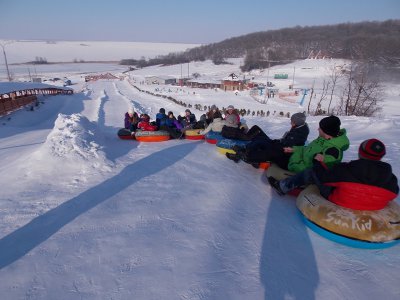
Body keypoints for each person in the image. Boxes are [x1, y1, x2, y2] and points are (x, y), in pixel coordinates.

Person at [269, 139, 399, 210]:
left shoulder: (348, 169)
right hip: (375, 206)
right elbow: (393, 193)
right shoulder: (390, 176)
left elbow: (324, 177)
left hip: (342, 200)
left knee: (313, 171)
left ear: (361, 152)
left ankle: (283, 187)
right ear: (381, 156)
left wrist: (321, 165)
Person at [226, 112, 310, 167]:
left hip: (280, 149)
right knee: (256, 129)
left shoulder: (299, 133)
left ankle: (245, 156)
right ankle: (244, 151)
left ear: (296, 122)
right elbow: (284, 140)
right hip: (277, 143)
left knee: (260, 141)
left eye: (292, 121)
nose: (290, 122)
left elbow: (286, 147)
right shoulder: (298, 127)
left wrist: (274, 143)